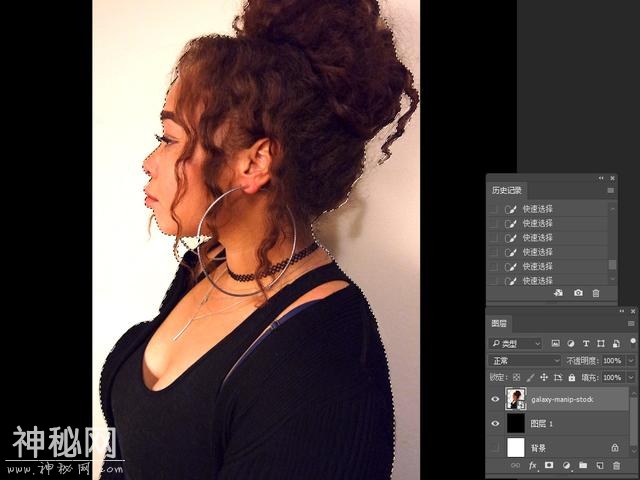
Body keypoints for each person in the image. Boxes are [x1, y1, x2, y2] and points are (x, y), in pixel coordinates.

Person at [99, 0, 418, 478]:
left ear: (254, 163)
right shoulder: (206, 264)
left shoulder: (323, 360)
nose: (150, 163)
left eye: (168, 139)